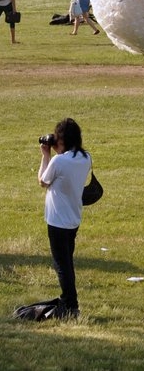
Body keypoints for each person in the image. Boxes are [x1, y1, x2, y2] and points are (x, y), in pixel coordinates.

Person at [37, 117, 93, 319]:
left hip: (57, 220)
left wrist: (46, 155)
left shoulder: (58, 161)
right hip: (74, 218)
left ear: (62, 140)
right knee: (67, 262)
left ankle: (71, 305)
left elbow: (43, 181)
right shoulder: (86, 158)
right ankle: (69, 300)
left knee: (62, 265)